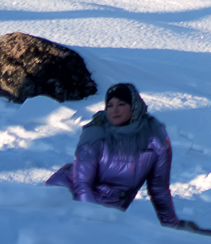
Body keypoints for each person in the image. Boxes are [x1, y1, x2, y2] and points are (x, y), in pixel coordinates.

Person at [44, 82, 181, 226]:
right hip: (69, 198)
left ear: (134, 106)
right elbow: (82, 185)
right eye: (110, 105)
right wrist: (91, 219)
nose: (114, 110)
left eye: (121, 104)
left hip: (107, 213)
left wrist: (172, 226)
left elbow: (159, 188)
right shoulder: (95, 134)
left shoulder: (155, 138)